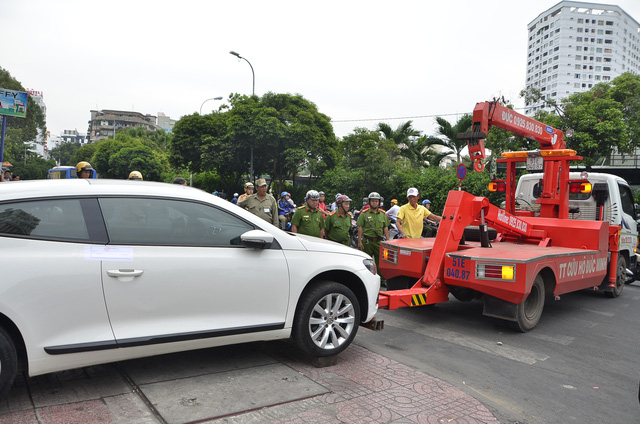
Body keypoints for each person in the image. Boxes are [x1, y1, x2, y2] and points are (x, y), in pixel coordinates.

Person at [357, 192, 389, 266]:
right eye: (373, 201)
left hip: (379, 242)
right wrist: (359, 242)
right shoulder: (364, 213)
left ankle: (380, 277)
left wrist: (388, 241)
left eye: (376, 201)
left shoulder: (383, 214)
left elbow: (385, 227)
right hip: (367, 242)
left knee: (380, 263)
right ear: (369, 202)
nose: (374, 203)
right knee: (366, 263)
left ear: (379, 202)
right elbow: (360, 228)